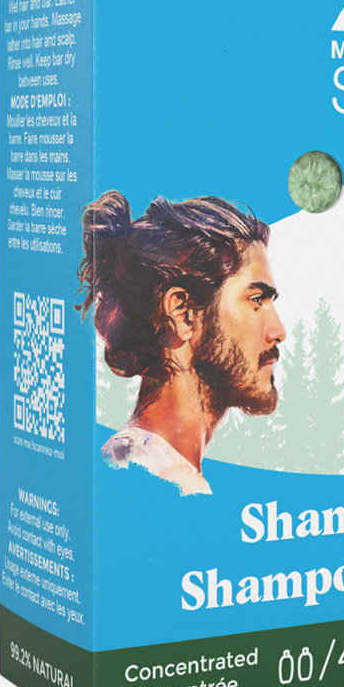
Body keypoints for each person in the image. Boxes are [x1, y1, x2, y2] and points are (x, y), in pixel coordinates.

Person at [77, 190, 286, 495]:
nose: (278, 331)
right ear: (183, 314)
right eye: (256, 300)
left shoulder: (159, 472)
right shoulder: (143, 478)